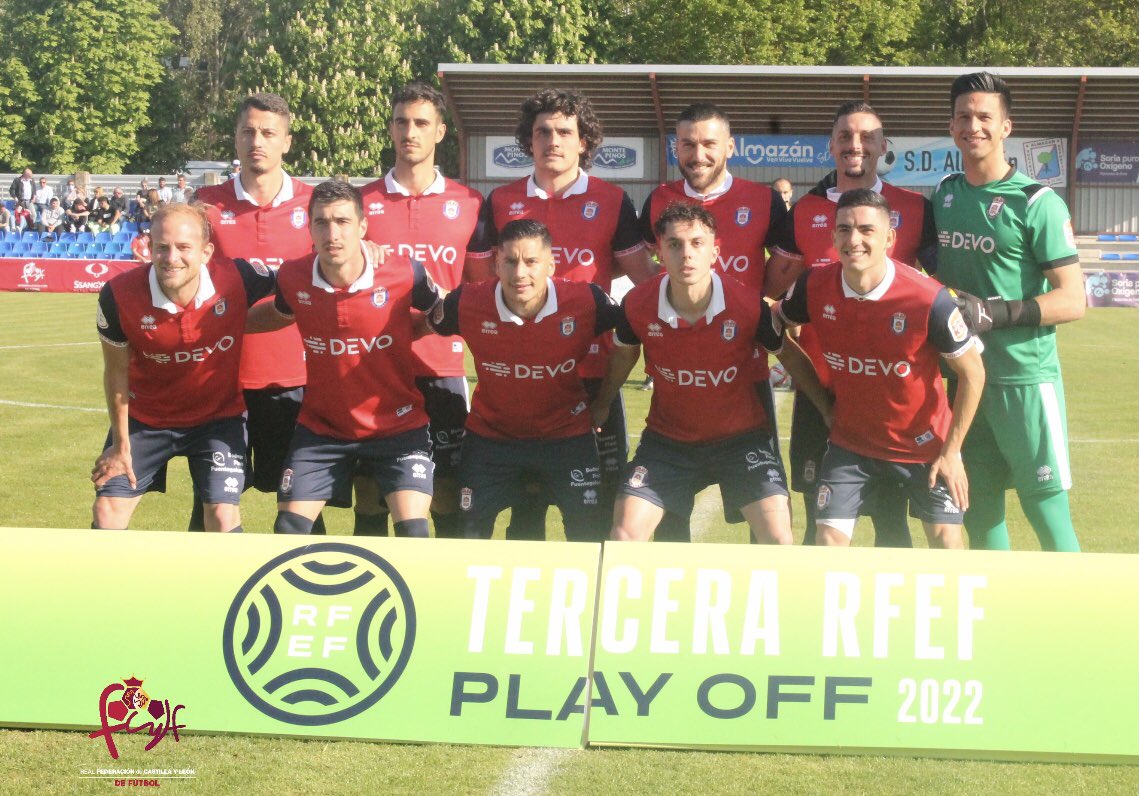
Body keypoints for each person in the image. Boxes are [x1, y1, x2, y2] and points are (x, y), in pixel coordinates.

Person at [469, 87, 654, 540]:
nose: (553, 141)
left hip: (590, 373)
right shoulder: (500, 200)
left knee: (598, 505)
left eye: (565, 132)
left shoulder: (612, 199)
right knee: (524, 508)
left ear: (583, 141)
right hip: (519, 374)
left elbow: (646, 283)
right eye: (543, 132)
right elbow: (477, 283)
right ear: (528, 140)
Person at [592, 202, 829, 544]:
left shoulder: (748, 305)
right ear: (659, 253)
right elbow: (623, 356)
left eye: (697, 243)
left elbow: (791, 357)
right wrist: (601, 404)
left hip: (741, 442)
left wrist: (826, 410)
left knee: (779, 539)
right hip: (667, 444)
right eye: (674, 244)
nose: (686, 254)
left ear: (714, 253)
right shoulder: (637, 303)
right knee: (624, 536)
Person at [767, 188, 985, 549]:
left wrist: (952, 452)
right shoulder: (814, 285)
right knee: (827, 543)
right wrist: (824, 405)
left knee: (947, 545)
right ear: (833, 236)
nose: (854, 240)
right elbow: (775, 327)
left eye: (867, 230)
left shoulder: (928, 298)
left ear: (890, 238)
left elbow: (973, 373)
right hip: (851, 445)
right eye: (844, 229)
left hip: (925, 446)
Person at [766, 100, 938, 548]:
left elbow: (942, 292)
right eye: (844, 136)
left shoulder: (916, 209)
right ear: (831, 145)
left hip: (891, 399)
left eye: (866, 137)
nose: (854, 145)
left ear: (883, 146)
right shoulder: (804, 210)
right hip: (821, 391)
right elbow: (773, 292)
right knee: (817, 522)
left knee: (891, 524)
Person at [932, 71, 1085, 552]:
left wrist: (993, 313)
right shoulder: (945, 194)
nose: (972, 126)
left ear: (1006, 127)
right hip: (964, 382)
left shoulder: (1036, 202)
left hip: (1024, 381)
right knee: (980, 513)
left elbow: (1073, 299)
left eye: (984, 117)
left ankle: (1080, 603)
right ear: (951, 126)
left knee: (1047, 513)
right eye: (963, 117)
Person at [247, 181, 442, 537]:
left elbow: (442, 312)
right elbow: (279, 313)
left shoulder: (404, 272)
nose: (332, 234)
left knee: (414, 532)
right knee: (288, 529)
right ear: (309, 228)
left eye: (342, 221)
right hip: (322, 429)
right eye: (321, 222)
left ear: (363, 226)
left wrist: (408, 329)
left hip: (398, 427)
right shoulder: (293, 276)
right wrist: (218, 326)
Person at [640, 102, 793, 541]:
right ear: (676, 148)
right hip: (677, 374)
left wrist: (755, 306)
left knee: (766, 510)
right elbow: (645, 269)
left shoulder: (763, 200)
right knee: (668, 514)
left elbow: (786, 263)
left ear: (730, 147)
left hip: (744, 373)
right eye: (687, 144)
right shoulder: (658, 200)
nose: (698, 154)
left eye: (709, 143)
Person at [427, 219, 619, 540]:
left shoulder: (588, 301)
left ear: (550, 265)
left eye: (531, 262)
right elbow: (425, 322)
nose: (520, 273)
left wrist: (604, 401)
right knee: (468, 535)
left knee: (589, 535)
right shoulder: (466, 302)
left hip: (567, 438)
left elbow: (634, 333)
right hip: (490, 439)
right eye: (510, 261)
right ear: (496, 264)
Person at [89, 203, 275, 531]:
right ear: (149, 247)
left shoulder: (238, 276)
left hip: (218, 419)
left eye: (184, 247)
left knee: (222, 516)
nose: (171, 257)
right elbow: (116, 372)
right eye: (162, 247)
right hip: (147, 420)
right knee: (107, 511)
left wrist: (361, 252)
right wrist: (120, 445)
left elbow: (299, 281)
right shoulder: (117, 296)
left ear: (206, 252)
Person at [356, 81, 484, 538]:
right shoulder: (360, 203)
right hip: (373, 367)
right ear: (391, 128)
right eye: (401, 122)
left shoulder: (469, 204)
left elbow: (479, 291)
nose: (410, 132)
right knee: (369, 490)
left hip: (440, 367)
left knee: (446, 488)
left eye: (421, 123)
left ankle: (441, 581)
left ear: (440, 132)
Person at [194, 92, 324, 534]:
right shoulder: (206, 205)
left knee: (300, 515)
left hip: (295, 380)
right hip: (222, 382)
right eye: (248, 131)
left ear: (286, 141)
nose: (257, 141)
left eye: (269, 133)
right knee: (212, 511)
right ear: (235, 138)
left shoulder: (315, 205)